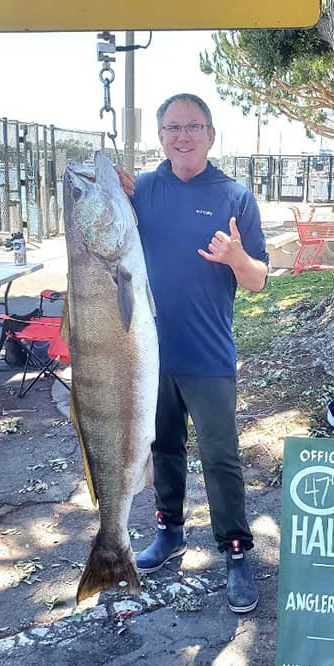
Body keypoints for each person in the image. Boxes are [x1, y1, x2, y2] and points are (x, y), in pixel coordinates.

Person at [116, 93, 269, 614]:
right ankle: (169, 531)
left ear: (211, 134)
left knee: (221, 456)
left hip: (208, 353)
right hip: (149, 353)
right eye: (174, 127)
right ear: (160, 135)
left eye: (194, 126)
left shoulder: (234, 196)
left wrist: (236, 257)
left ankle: (235, 549)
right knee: (164, 448)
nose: (183, 136)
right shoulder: (144, 190)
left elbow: (258, 282)